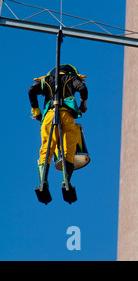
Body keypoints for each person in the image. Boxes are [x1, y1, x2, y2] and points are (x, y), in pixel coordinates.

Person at [28, 64, 88, 192]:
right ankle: (66, 182)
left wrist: (36, 111)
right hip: (66, 115)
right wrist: (83, 103)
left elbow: (31, 91)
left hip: (49, 115)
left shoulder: (46, 81)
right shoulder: (71, 78)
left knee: (46, 149)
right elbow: (82, 88)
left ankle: (42, 181)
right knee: (68, 148)